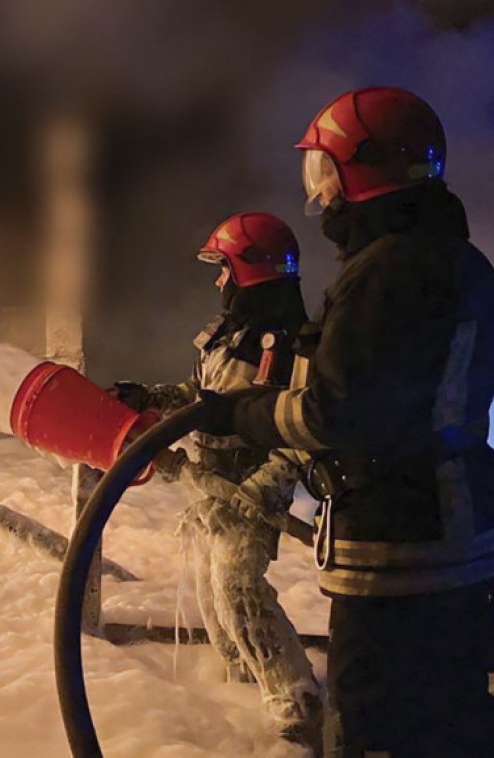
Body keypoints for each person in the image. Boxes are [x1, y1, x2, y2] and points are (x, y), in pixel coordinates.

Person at [199, 87, 494, 757]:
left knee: (374, 727)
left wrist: (242, 414)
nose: (322, 194)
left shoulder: (383, 273)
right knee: (451, 722)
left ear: (366, 171)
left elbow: (335, 413)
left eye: (327, 172)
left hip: (397, 547)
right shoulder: (461, 262)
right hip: (459, 538)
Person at [116, 212, 322, 747]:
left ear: (249, 271)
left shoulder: (292, 347)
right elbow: (199, 395)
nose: (218, 281)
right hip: (211, 487)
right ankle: (240, 683)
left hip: (251, 488)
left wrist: (258, 492)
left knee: (239, 586)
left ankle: (296, 698)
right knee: (213, 594)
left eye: (223, 269)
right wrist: (152, 397)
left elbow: (300, 434)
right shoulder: (226, 336)